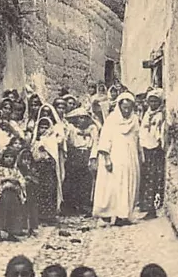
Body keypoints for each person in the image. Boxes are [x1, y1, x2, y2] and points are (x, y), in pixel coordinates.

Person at [93, 92, 141, 226]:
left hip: (130, 158)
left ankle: (123, 215)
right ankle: (106, 215)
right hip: (114, 156)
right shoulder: (112, 120)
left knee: (127, 185)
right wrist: (107, 159)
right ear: (119, 107)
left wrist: (139, 155)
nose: (126, 110)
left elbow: (137, 139)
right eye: (124, 107)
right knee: (111, 187)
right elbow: (105, 140)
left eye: (129, 108)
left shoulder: (135, 120)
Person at [63, 107, 99, 215]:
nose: (82, 120)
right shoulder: (72, 129)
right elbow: (67, 140)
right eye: (79, 118)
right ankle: (73, 205)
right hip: (75, 154)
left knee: (86, 180)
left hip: (86, 153)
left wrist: (92, 157)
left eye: (84, 118)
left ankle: (85, 204)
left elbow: (95, 143)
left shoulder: (92, 129)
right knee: (74, 179)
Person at [139, 88, 166, 219]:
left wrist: (160, 143)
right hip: (145, 148)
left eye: (156, 101)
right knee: (146, 177)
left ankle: (153, 209)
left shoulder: (160, 115)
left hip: (155, 149)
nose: (153, 104)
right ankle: (145, 206)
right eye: (151, 101)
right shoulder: (146, 114)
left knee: (154, 178)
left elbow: (160, 132)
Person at [0, 146, 27, 242]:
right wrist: (5, 179)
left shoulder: (15, 170)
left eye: (11, 157)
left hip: (14, 194)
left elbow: (22, 180)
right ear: (3, 158)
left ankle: (11, 233)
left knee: (14, 213)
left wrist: (17, 181)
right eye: (6, 157)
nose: (9, 159)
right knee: (1, 212)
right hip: (3, 194)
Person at [31, 117, 61, 224]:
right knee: (39, 190)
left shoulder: (52, 140)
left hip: (48, 168)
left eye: (45, 127)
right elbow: (33, 154)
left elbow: (54, 154)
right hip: (39, 167)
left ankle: (49, 215)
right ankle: (40, 215)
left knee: (50, 189)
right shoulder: (36, 140)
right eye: (41, 127)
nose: (43, 130)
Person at [17, 147, 39, 235]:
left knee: (32, 209)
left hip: (31, 191)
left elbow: (37, 179)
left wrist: (31, 178)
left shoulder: (32, 169)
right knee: (23, 209)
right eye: (24, 159)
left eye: (29, 159)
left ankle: (32, 228)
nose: (26, 161)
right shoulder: (19, 169)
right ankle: (22, 227)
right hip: (22, 192)